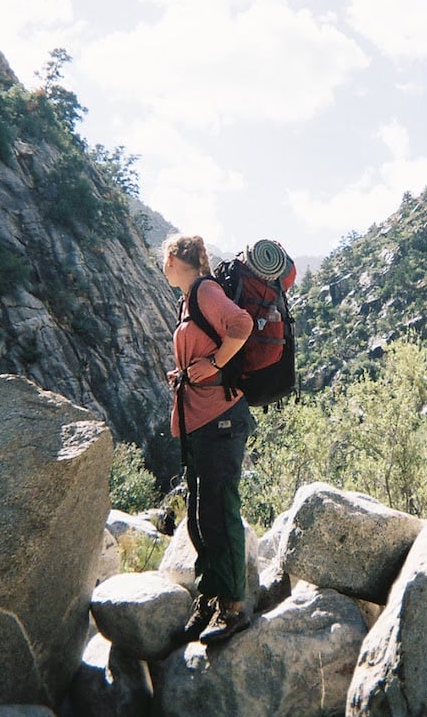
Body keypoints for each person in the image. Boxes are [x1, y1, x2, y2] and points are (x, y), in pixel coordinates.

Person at [161, 234, 256, 645]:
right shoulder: (188, 301)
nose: (160, 267)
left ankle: (233, 606)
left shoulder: (206, 290)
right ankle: (211, 594)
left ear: (174, 261)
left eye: (162, 260)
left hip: (220, 418)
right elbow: (205, 349)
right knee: (200, 516)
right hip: (199, 419)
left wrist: (215, 362)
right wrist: (186, 372)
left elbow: (242, 325)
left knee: (219, 511)